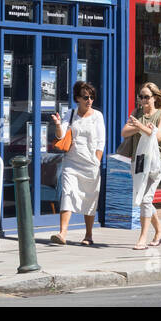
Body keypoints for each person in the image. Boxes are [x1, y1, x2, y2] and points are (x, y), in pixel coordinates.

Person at [50, 81, 106, 246]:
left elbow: (101, 141)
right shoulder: (71, 113)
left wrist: (97, 159)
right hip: (72, 162)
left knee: (89, 197)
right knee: (67, 193)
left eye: (92, 97)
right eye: (86, 97)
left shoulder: (97, 116)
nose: (89, 100)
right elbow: (61, 136)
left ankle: (88, 235)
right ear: (77, 98)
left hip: (90, 163)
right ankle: (63, 233)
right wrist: (58, 125)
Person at [122, 82, 161, 251]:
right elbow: (124, 132)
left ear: (155, 98)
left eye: (146, 97)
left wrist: (139, 126)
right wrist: (142, 128)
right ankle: (159, 230)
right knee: (143, 198)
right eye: (140, 97)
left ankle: (142, 238)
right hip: (139, 160)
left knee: (146, 199)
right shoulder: (136, 113)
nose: (143, 100)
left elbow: (158, 136)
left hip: (156, 162)